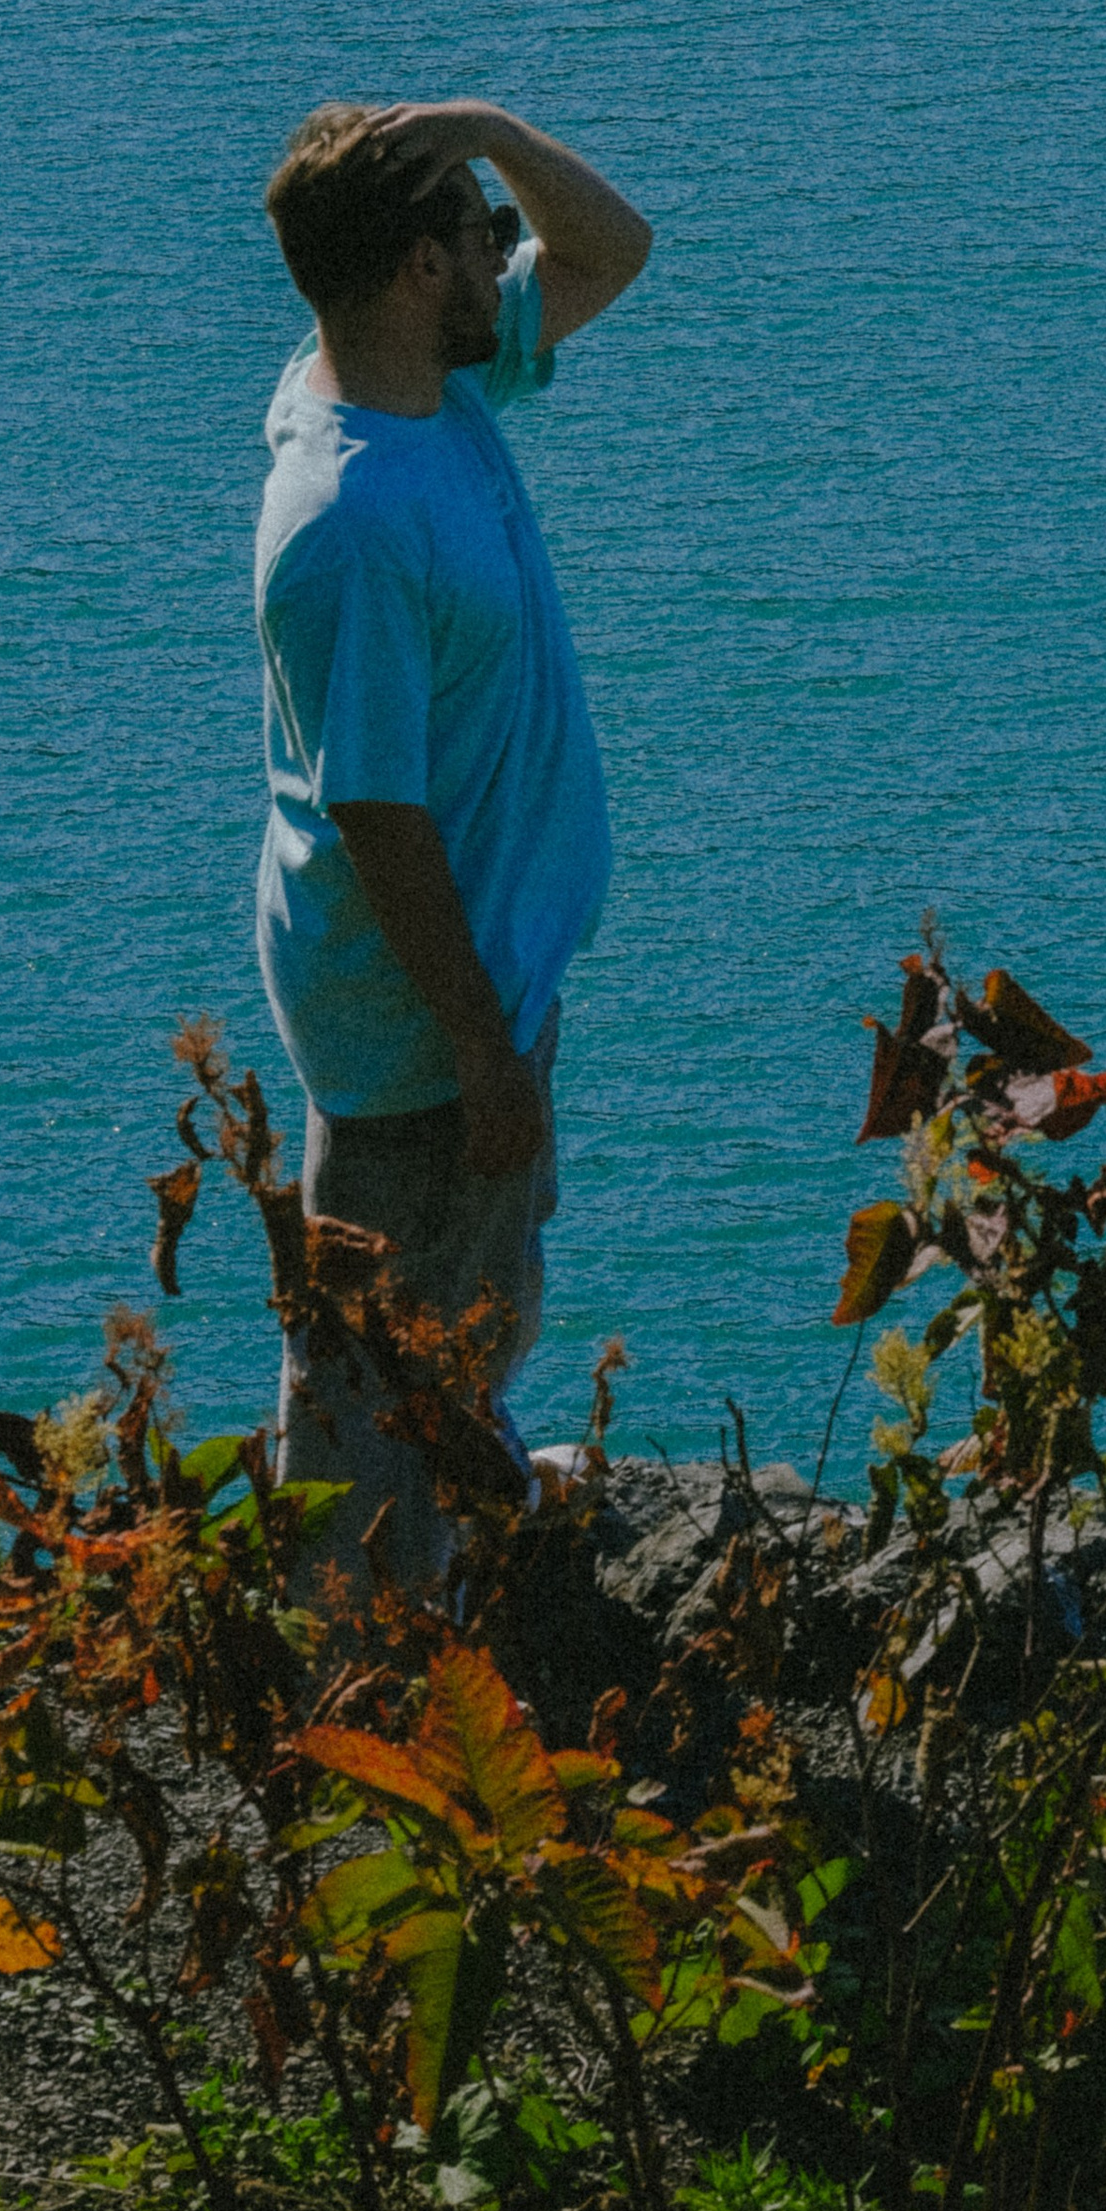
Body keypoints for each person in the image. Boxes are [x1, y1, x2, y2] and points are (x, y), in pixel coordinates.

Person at [252, 96, 652, 1586]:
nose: (514, 254)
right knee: (375, 1354)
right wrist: (482, 1053)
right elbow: (377, 818)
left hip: (478, 973)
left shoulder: (425, 389)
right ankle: (359, 1666)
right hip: (425, 1014)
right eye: (487, 234)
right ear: (425, 268)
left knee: (464, 1293)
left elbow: (615, 247)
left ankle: (460, 1486)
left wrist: (486, 125)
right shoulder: (353, 517)